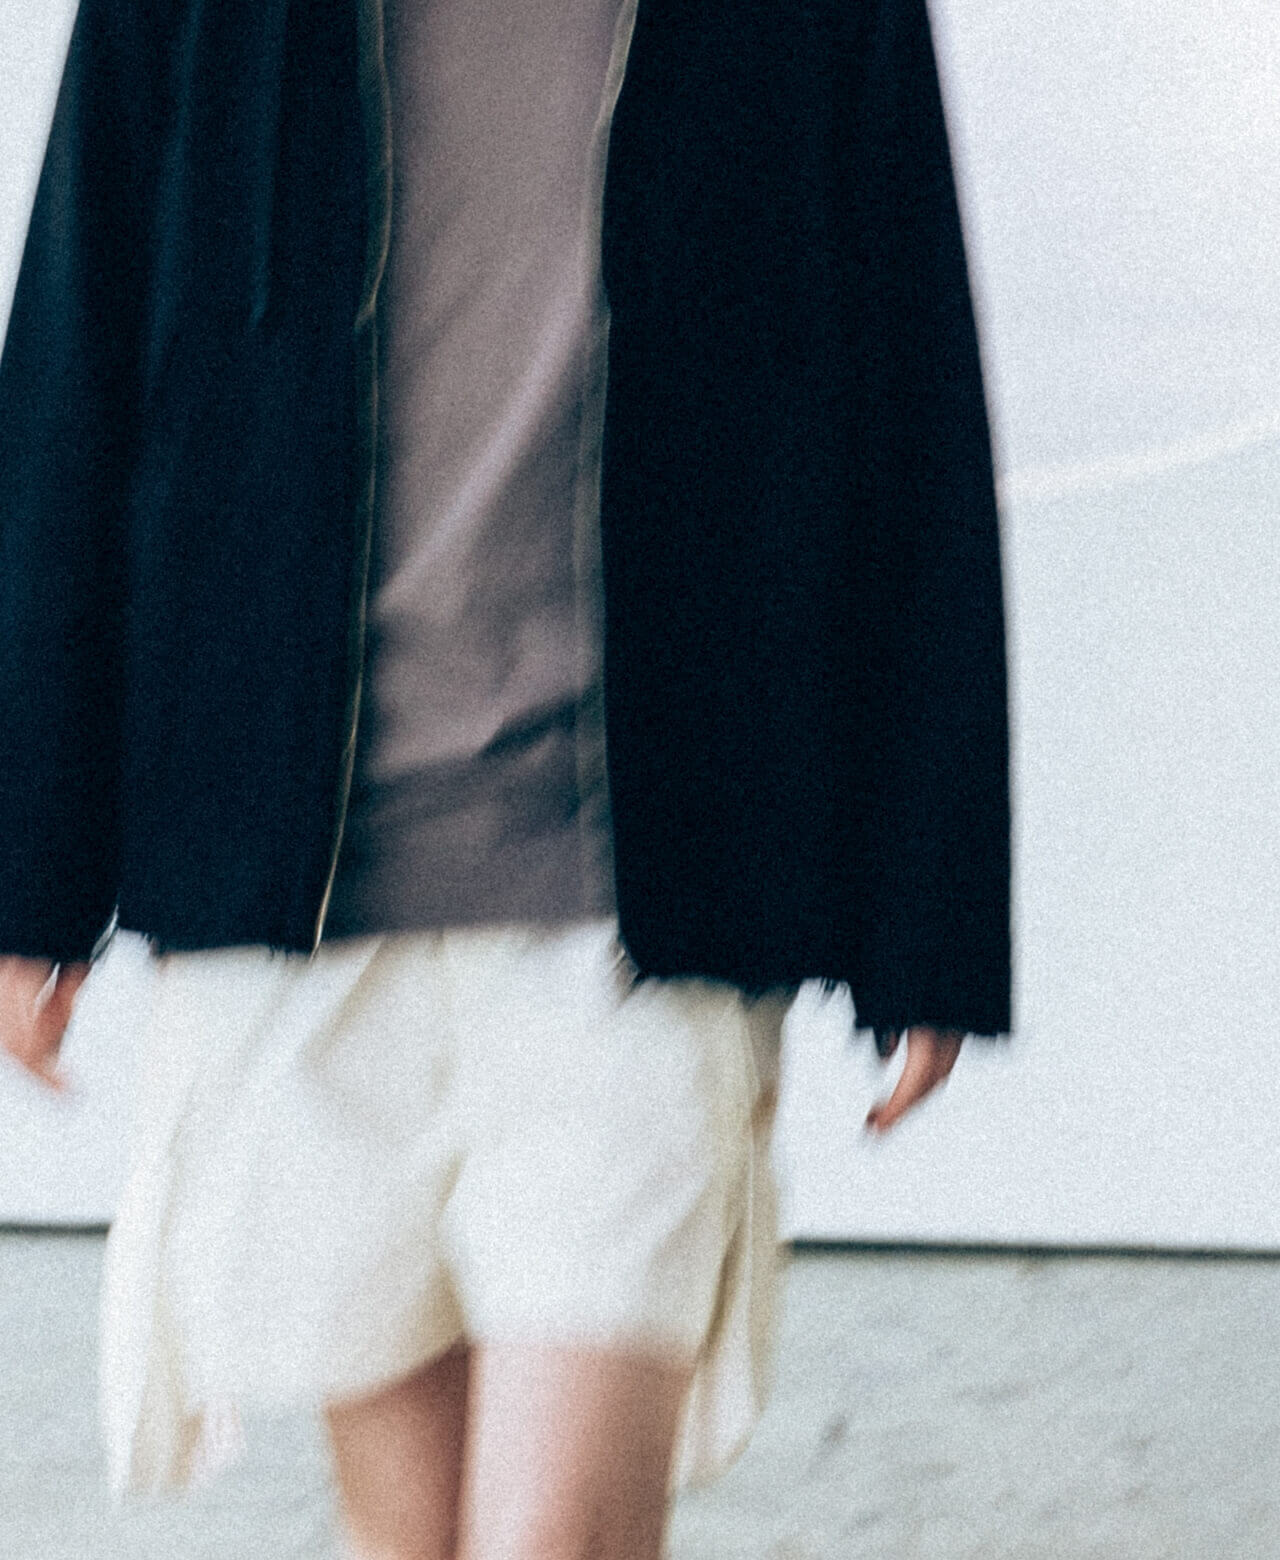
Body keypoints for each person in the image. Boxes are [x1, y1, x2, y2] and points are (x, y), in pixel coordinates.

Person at [0, 0, 1010, 1556]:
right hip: (296, 898)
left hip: (636, 901)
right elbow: (75, 365)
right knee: (404, 1535)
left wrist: (928, 911)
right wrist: (31, 869)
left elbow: (911, 400)